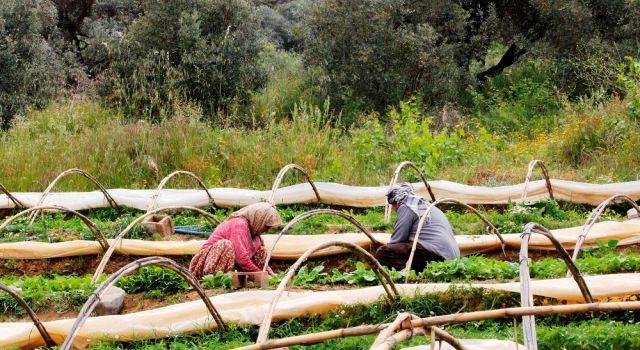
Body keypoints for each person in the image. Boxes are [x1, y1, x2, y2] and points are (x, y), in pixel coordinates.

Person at [375, 183, 459, 272]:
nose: (392, 208)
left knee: (384, 252)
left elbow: (398, 239)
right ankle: (422, 271)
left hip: (435, 254)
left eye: (392, 204)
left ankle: (408, 274)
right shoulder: (429, 206)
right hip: (452, 257)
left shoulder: (407, 206)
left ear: (396, 201)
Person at [189, 202, 283, 280]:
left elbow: (263, 261)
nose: (267, 230)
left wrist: (270, 274)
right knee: (226, 245)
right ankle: (214, 280)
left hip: (228, 266)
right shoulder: (239, 224)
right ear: (259, 220)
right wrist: (260, 274)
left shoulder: (255, 235)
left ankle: (250, 279)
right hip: (206, 264)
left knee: (261, 250)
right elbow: (241, 258)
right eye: (266, 226)